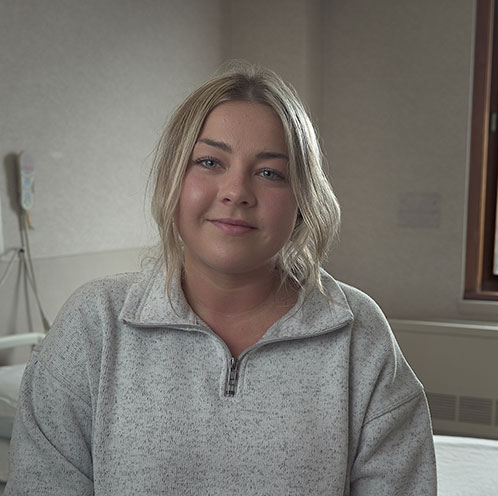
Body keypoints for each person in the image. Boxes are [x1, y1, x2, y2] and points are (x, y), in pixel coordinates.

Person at [6, 63, 437, 495]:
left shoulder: (357, 334)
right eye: (210, 162)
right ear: (173, 179)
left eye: (270, 172)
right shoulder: (94, 324)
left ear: (302, 200)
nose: (236, 191)